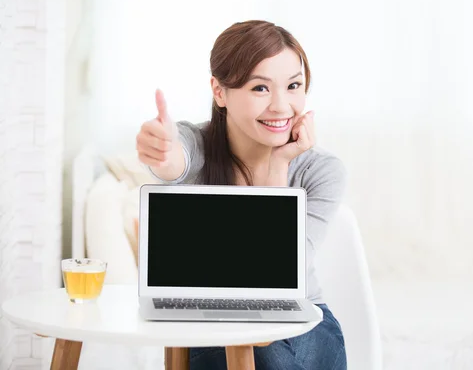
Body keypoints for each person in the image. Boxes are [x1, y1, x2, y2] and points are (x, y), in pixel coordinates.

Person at [135, 20, 348, 370]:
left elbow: (277, 275)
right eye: (261, 89)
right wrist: (161, 151)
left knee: (265, 353)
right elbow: (174, 161)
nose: (281, 106)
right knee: (253, 352)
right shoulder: (195, 144)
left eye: (293, 86)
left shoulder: (321, 171)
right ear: (219, 92)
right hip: (206, 325)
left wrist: (279, 166)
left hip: (303, 323)